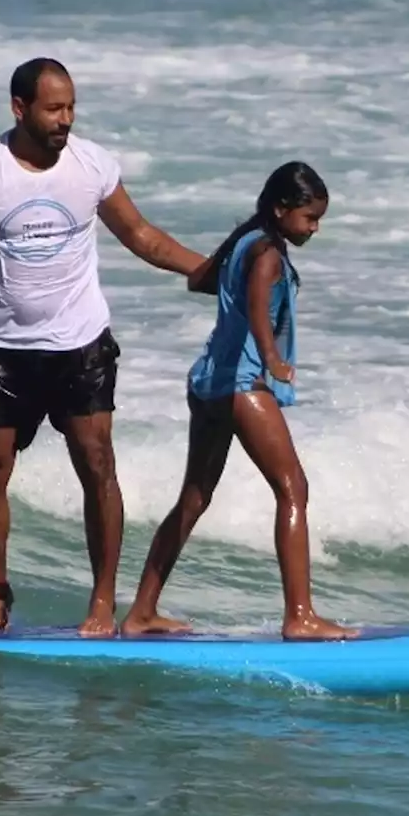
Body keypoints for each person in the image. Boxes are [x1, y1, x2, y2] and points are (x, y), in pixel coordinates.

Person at [0, 57, 207, 637]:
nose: (66, 119)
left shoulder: (91, 164)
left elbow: (140, 234)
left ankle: (102, 604)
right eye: (54, 108)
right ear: (20, 107)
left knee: (98, 466)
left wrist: (208, 270)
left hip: (80, 347)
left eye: (71, 107)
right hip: (3, 352)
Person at [121, 162, 357, 641]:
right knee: (294, 488)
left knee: (193, 498)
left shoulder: (244, 243)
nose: (314, 228)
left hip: (209, 380)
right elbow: (255, 307)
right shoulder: (267, 251)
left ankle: (142, 610)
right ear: (281, 209)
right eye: (309, 218)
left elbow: (198, 280)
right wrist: (272, 358)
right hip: (242, 383)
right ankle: (301, 616)